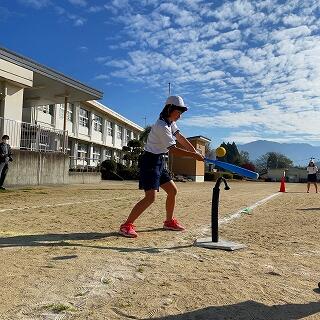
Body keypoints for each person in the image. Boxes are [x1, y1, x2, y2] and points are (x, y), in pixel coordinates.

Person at [119, 95, 204, 238]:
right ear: (170, 109)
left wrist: (194, 151)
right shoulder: (161, 126)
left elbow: (181, 138)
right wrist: (194, 156)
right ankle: (126, 225)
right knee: (150, 198)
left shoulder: (170, 123)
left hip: (159, 161)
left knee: (172, 191)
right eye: (178, 112)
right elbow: (173, 149)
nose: (180, 116)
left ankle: (169, 222)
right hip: (150, 162)